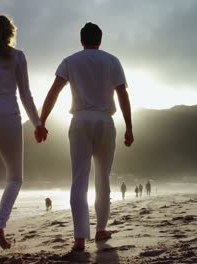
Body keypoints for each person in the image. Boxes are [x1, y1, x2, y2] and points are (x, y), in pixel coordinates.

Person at [38, 22, 133, 251]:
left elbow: (54, 91)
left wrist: (42, 122)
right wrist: (129, 127)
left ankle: (80, 237)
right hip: (104, 121)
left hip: (80, 121)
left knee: (79, 180)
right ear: (100, 40)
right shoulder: (112, 61)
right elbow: (122, 94)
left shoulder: (70, 61)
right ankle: (100, 230)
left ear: (82, 40)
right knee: (103, 178)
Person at [0, 15, 47, 259]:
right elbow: (25, 95)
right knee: (15, 178)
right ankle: (0, 223)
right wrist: (38, 124)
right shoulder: (18, 57)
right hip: (7, 119)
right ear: (10, 34)